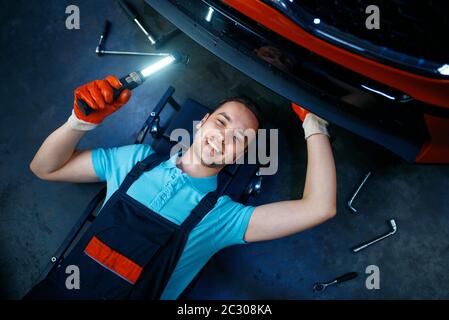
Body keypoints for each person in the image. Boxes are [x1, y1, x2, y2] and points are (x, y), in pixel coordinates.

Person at [28, 75, 336, 299]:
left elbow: (320, 207)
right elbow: (45, 168)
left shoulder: (222, 218)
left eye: (240, 138)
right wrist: (79, 122)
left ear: (242, 155)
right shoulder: (136, 161)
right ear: (202, 122)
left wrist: (314, 124)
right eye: (222, 122)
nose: (224, 137)